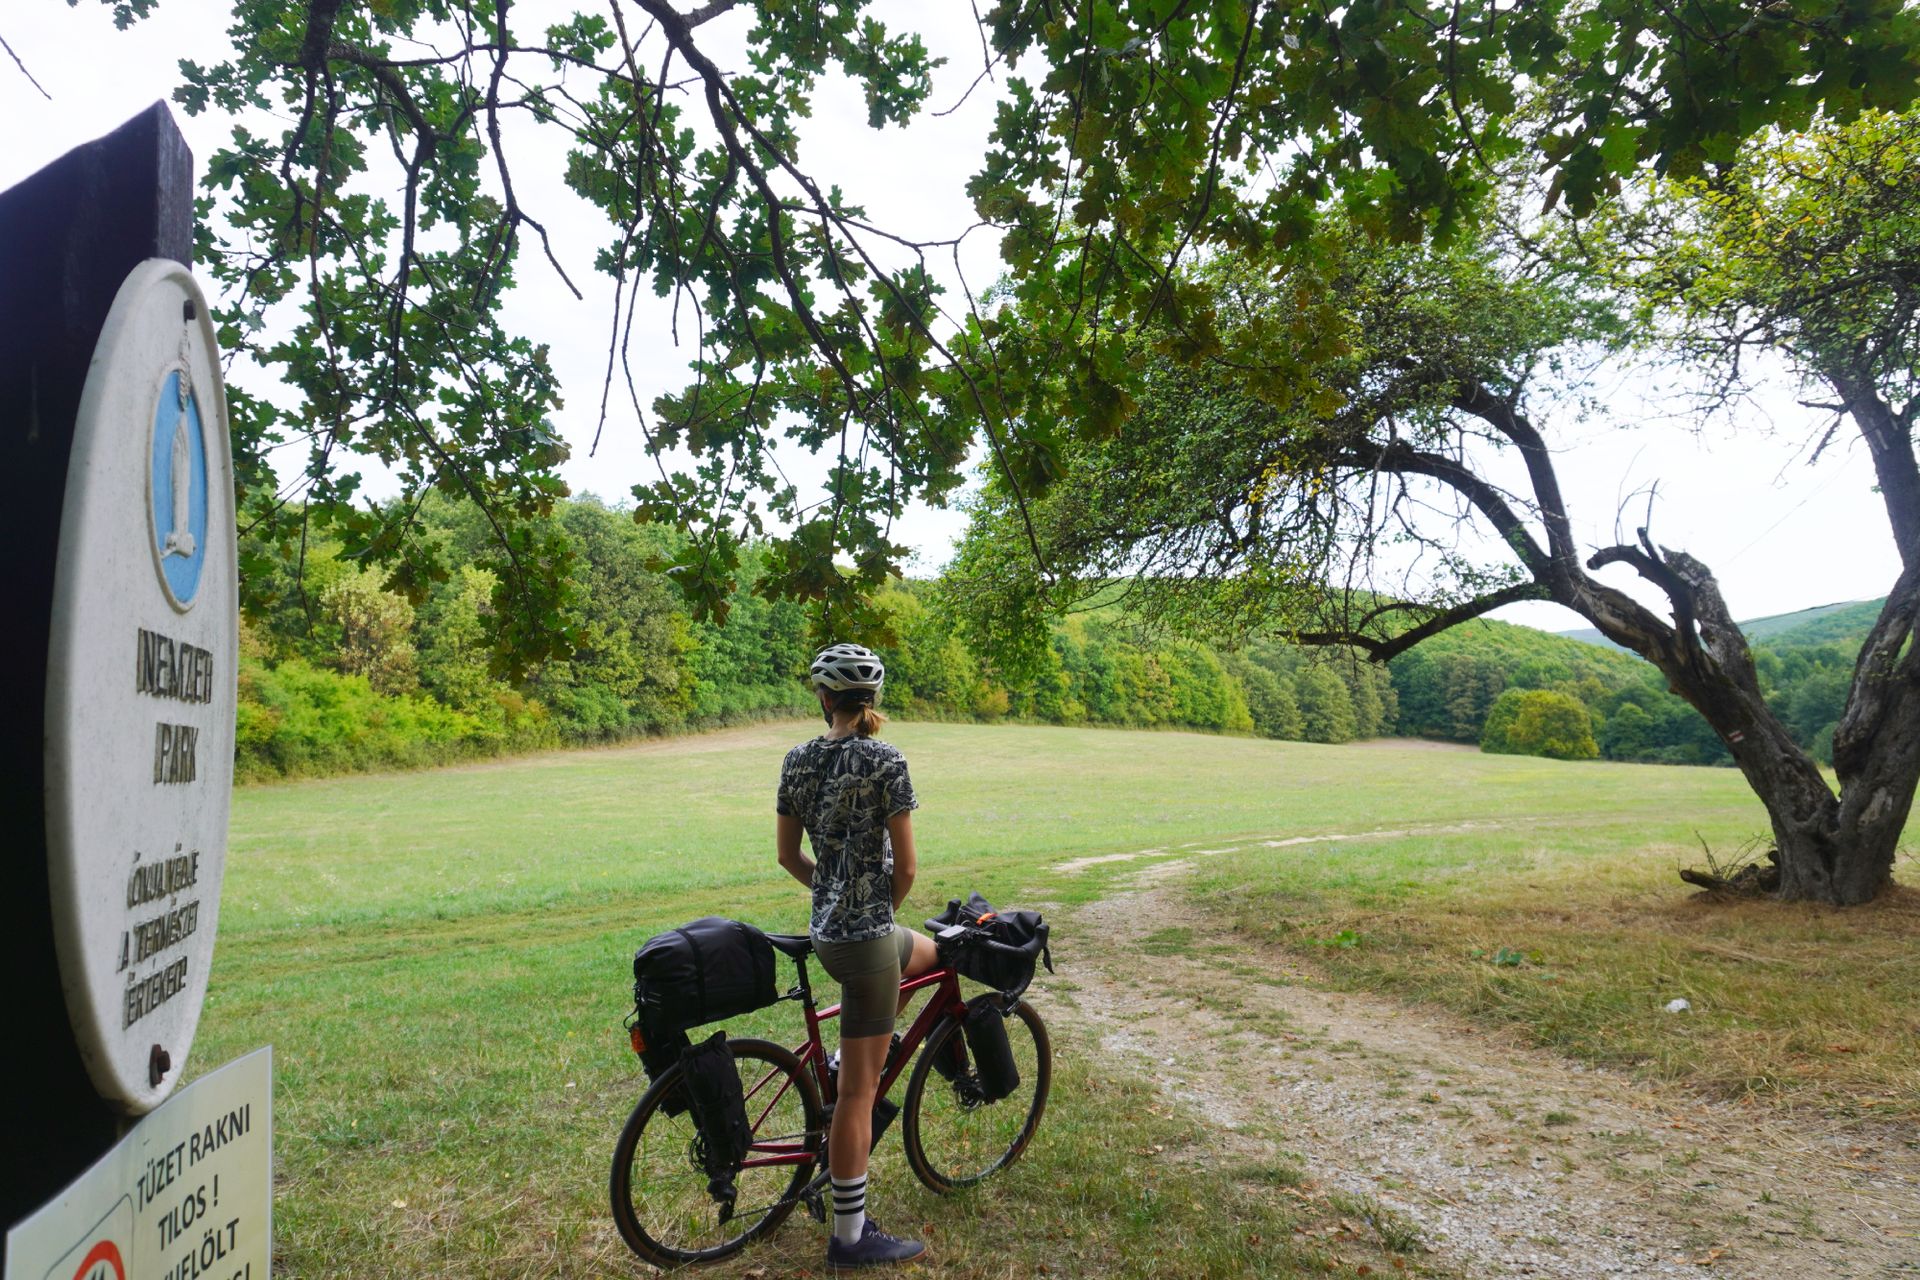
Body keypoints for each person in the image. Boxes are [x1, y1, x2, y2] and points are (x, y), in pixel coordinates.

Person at [775, 643, 936, 1269]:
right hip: (868, 940)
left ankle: (852, 1051)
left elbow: (789, 857)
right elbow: (910, 866)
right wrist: (873, 909)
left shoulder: (797, 759)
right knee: (858, 1097)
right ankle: (849, 1236)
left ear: (824, 698)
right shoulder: (887, 759)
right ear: (872, 699)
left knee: (928, 952)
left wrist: (834, 895)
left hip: (828, 936)